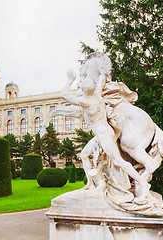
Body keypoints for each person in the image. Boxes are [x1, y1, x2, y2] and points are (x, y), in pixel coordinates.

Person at [61, 53, 150, 203]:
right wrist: (102, 70)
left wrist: (70, 80)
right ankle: (94, 183)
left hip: (104, 136)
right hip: (103, 134)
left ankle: (143, 183)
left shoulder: (85, 101)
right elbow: (102, 76)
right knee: (83, 155)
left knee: (119, 161)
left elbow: (64, 95)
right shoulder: (97, 94)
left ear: (84, 89)